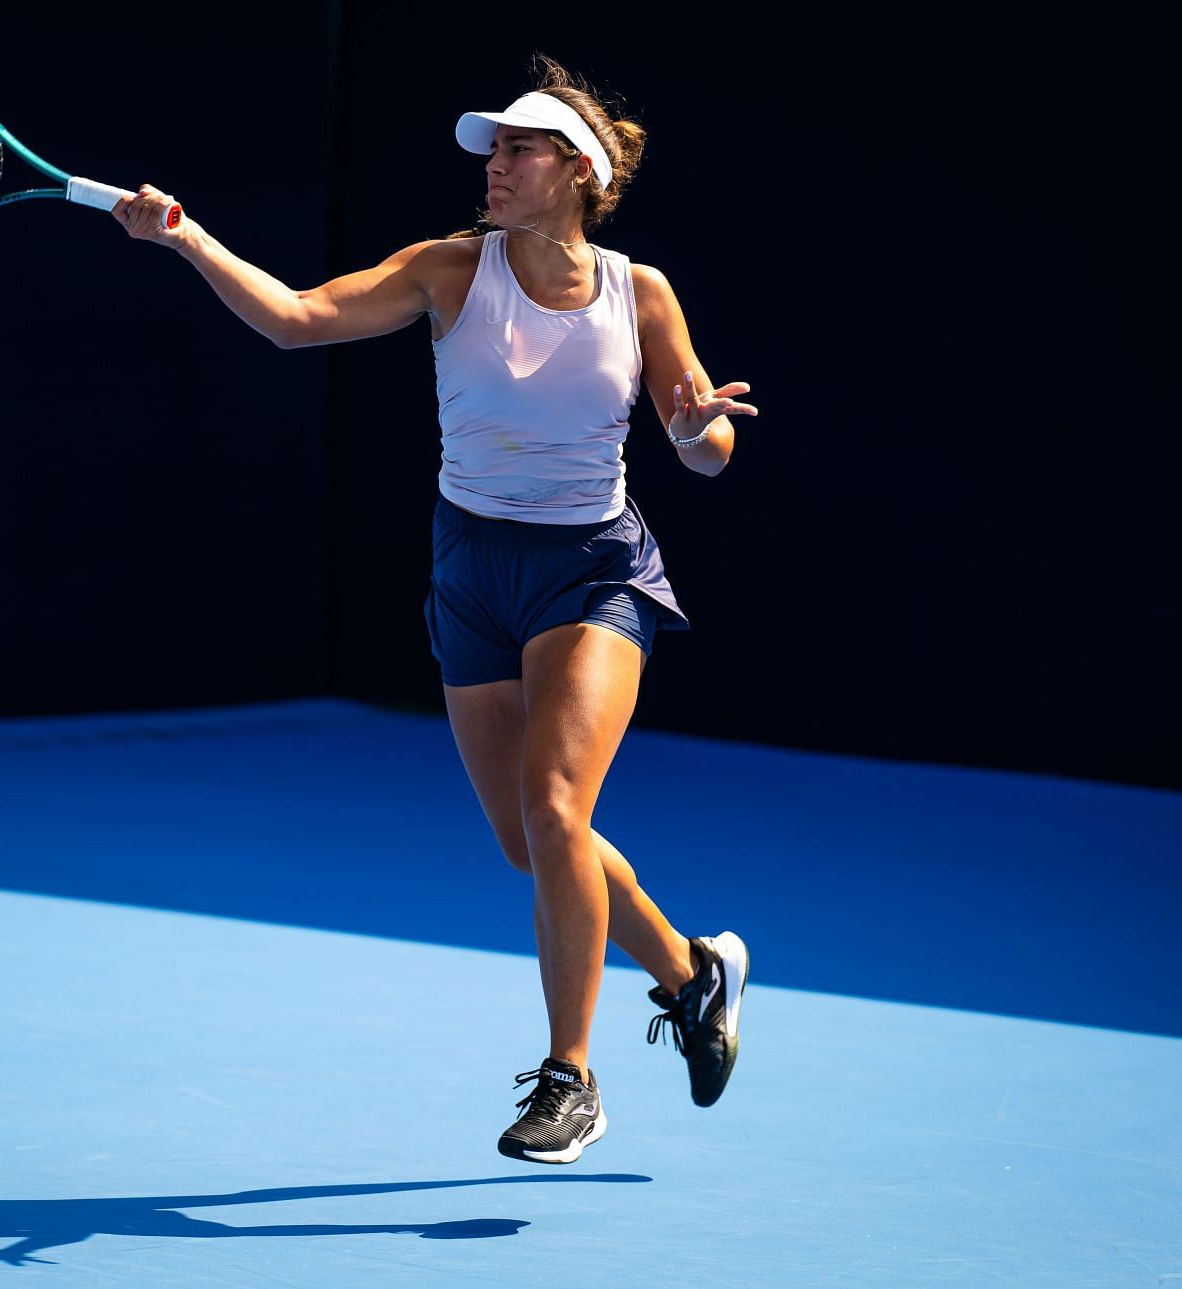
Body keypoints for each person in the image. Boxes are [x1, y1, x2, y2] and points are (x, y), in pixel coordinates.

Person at [112, 54, 754, 1165]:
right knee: (530, 842)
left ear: (577, 171)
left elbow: (705, 451)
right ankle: (695, 976)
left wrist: (697, 425)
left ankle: (572, 1078)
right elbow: (298, 319)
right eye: (493, 149)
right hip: (470, 570)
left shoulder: (638, 291)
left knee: (556, 806)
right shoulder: (448, 269)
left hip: (591, 570)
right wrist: (185, 237)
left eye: (518, 148)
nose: (494, 166)